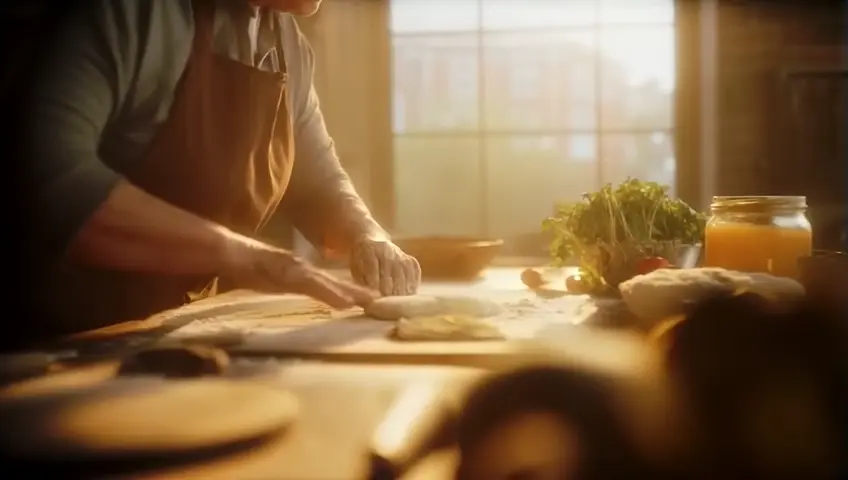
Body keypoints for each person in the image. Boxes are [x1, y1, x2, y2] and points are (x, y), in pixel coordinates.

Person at [20, 0, 421, 338]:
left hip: (173, 334)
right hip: (62, 343)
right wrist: (250, 259)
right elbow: (50, 179)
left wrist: (369, 237)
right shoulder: (136, 14)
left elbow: (319, 185)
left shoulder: (288, 46)